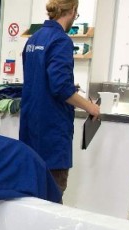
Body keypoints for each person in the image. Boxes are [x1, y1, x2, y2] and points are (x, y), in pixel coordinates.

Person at [19, 0, 100, 194]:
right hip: (52, 134)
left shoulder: (33, 40)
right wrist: (90, 107)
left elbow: (40, 80)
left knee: (31, 194)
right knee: (53, 197)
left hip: (30, 130)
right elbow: (61, 88)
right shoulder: (61, 40)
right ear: (72, 10)